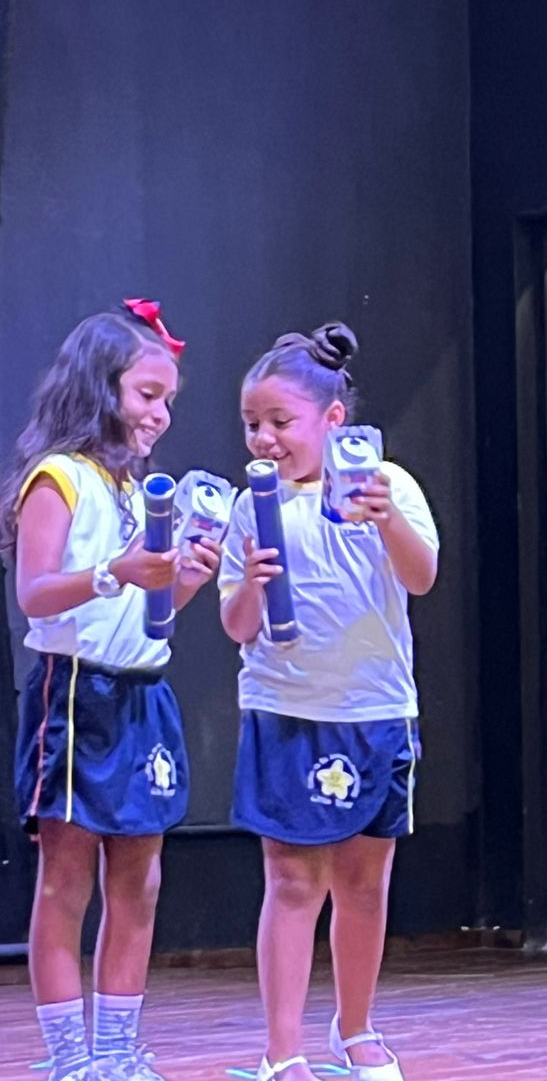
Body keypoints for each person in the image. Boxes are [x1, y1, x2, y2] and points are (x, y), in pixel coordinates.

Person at [2, 300, 219, 1081]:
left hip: (143, 694)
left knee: (140, 880)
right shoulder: (57, 478)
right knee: (66, 881)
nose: (160, 414)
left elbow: (149, 612)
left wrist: (186, 577)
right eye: (147, 395)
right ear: (100, 387)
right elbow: (35, 595)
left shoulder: (136, 488)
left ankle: (119, 1052)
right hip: (75, 694)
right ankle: (69, 1058)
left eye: (168, 400)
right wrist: (113, 572)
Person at [218, 324, 438, 1081]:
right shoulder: (252, 505)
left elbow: (421, 577)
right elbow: (236, 626)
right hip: (286, 710)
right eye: (252, 423)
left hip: (376, 710)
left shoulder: (388, 483)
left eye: (281, 421)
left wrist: (389, 519)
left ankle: (357, 1028)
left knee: (364, 883)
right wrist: (251, 582)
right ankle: (283, 1049)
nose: (264, 438)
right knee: (291, 881)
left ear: (333, 419)